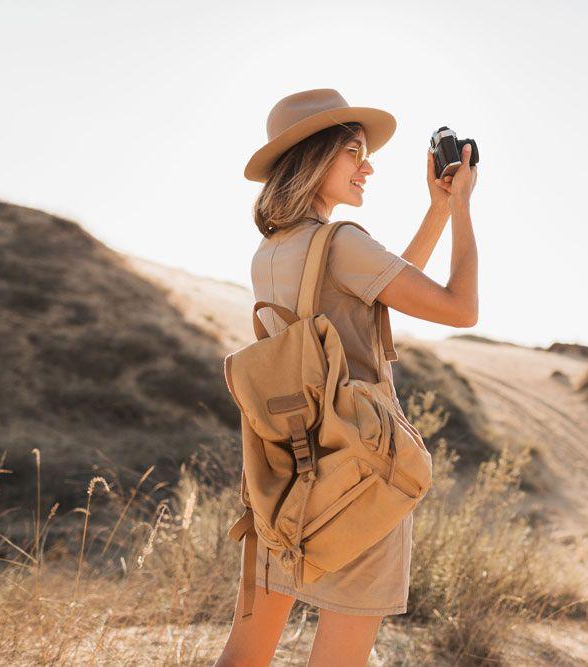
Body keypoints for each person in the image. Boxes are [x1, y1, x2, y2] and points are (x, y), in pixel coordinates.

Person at [213, 88, 478, 667]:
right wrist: (461, 209)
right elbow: (460, 309)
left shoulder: (273, 252)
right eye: (353, 152)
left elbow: (387, 281)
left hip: (284, 469)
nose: (368, 165)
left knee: (247, 649)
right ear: (313, 158)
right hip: (361, 470)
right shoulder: (343, 243)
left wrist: (433, 209)